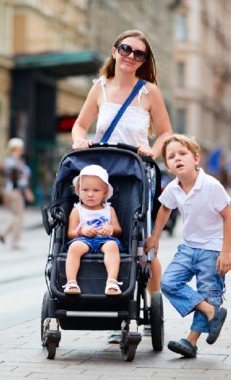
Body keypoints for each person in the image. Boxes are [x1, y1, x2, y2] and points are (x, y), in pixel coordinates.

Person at [71, 29, 173, 340]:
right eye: (126, 49)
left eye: (139, 53)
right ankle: (104, 292)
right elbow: (79, 125)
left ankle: (152, 301)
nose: (130, 56)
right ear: (115, 51)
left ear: (144, 61)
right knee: (105, 237)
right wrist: (79, 141)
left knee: (141, 244)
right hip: (101, 172)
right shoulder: (99, 89)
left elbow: (167, 132)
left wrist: (153, 150)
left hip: (136, 171)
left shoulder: (148, 92)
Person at [145, 134, 231, 358]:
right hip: (187, 247)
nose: (177, 158)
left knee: (208, 291)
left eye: (182, 154)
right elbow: (164, 209)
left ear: (196, 158)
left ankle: (191, 341)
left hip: (212, 249)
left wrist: (226, 252)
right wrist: (155, 237)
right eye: (171, 157)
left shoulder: (211, 186)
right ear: (169, 167)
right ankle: (211, 311)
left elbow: (228, 217)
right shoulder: (173, 188)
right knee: (168, 282)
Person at [63, 165, 123, 296]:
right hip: (83, 240)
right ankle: (71, 282)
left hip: (105, 239)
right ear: (78, 190)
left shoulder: (109, 209)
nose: (90, 194)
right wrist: (81, 231)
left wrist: (111, 228)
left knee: (112, 246)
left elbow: (118, 230)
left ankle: (112, 281)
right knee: (74, 247)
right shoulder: (77, 210)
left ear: (105, 192)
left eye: (96, 190)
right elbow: (70, 233)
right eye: (85, 190)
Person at [0, 138, 34, 250]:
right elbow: (18, 180)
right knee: (19, 216)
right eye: (21, 148)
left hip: (9, 191)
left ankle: (3, 233)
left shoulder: (8, 161)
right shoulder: (15, 162)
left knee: (16, 215)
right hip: (15, 191)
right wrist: (27, 191)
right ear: (17, 149)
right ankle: (15, 241)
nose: (22, 150)